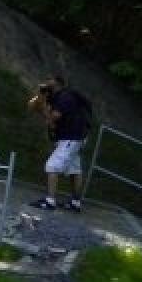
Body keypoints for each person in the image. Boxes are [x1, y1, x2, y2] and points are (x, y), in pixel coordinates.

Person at [28, 76, 91, 212]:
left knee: (52, 166)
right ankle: (75, 203)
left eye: (49, 80)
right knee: (75, 170)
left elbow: (54, 117)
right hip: (75, 137)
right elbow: (31, 105)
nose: (46, 82)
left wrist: (46, 113)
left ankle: (50, 201)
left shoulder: (64, 97)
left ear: (57, 83)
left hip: (70, 138)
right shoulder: (54, 96)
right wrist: (40, 95)